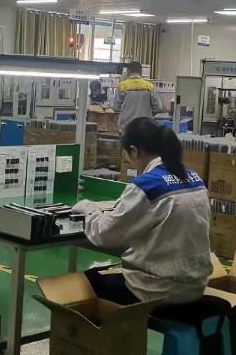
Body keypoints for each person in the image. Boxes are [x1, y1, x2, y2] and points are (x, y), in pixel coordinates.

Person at [71, 117, 212, 304]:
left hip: (157, 290)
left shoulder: (147, 185)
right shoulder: (195, 179)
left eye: (127, 156)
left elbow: (104, 234)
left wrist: (88, 208)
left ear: (134, 151)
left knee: (83, 283)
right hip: (194, 287)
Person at [112, 61, 162, 133]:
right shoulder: (149, 86)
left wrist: (125, 111)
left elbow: (115, 107)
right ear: (141, 72)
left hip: (126, 128)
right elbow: (158, 108)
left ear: (128, 72)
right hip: (145, 128)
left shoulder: (121, 86)